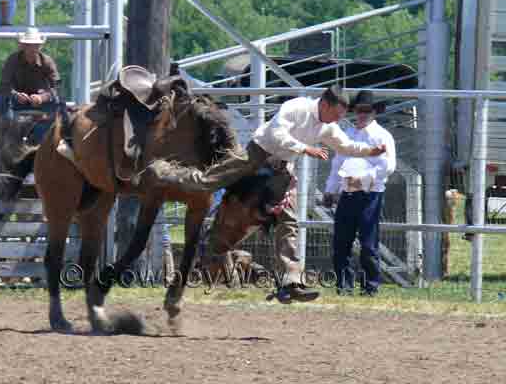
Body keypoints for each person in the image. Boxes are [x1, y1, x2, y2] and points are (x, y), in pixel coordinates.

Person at [150, 85, 387, 303]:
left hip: (281, 170)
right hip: (257, 156)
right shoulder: (296, 107)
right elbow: (276, 134)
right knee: (209, 180)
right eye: (336, 114)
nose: (338, 120)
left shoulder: (328, 126)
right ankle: (165, 174)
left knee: (289, 220)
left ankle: (290, 281)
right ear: (324, 104)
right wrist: (306, 148)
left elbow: (346, 146)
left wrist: (370, 151)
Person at [323, 91, 396, 297]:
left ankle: (370, 287)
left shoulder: (382, 136)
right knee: (341, 242)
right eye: (358, 110)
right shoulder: (347, 134)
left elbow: (388, 167)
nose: (362, 114)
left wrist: (362, 180)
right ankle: (344, 287)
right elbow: (338, 163)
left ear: (374, 112)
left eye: (366, 110)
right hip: (347, 194)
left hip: (370, 194)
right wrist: (330, 190)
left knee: (367, 244)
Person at [0, 26, 61, 200]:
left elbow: (56, 88)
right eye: (29, 45)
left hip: (37, 101)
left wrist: (43, 97)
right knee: (2, 100)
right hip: (16, 100)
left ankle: (37, 140)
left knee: (57, 105)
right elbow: (4, 85)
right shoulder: (12, 60)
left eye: (35, 45)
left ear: (40, 47)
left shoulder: (47, 62)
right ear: (22, 46)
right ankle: (8, 132)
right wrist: (16, 94)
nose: (32, 48)